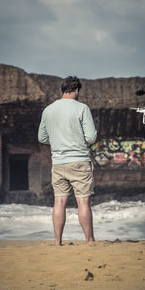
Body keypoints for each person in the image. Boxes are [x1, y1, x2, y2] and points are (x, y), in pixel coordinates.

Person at [38, 76, 97, 246]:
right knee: (83, 201)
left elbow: (42, 137)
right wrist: (77, 141)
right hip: (79, 161)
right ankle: (89, 240)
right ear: (77, 90)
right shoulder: (82, 108)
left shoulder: (48, 110)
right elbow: (91, 137)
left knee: (59, 201)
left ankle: (57, 242)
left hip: (58, 163)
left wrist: (59, 141)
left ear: (63, 89)